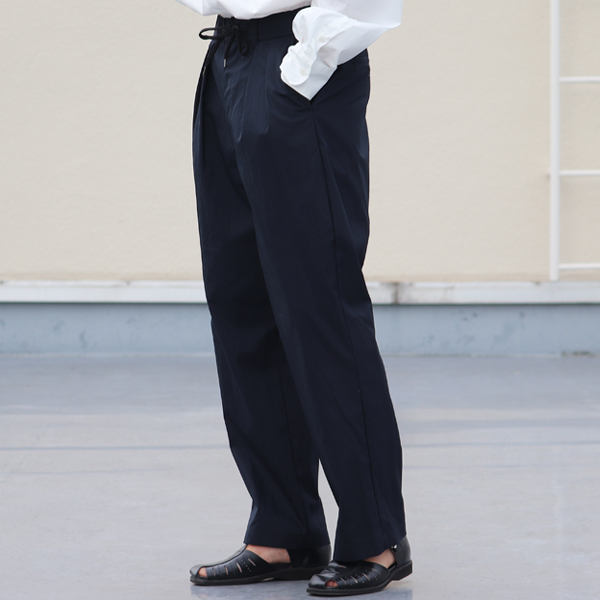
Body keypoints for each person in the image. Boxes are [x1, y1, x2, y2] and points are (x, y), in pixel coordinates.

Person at [175, 0, 411, 595]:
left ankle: (377, 537)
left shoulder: (302, 63)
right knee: (240, 302)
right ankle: (284, 531)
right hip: (227, 56)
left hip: (297, 60)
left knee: (319, 304)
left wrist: (305, 65)